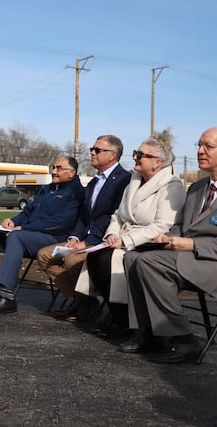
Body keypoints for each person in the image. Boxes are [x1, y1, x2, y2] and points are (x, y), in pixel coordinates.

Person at [120, 127, 217, 363]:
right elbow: (185, 228)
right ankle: (150, 332)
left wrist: (191, 244)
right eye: (199, 145)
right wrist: (166, 238)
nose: (200, 151)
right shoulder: (198, 188)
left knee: (150, 262)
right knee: (132, 257)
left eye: (208, 146)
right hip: (189, 258)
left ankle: (184, 339)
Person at [75, 136, 185, 339]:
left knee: (107, 258)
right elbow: (118, 215)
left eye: (140, 154)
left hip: (151, 241)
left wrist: (126, 241)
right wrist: (112, 234)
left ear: (157, 162)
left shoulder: (172, 186)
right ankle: (118, 315)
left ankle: (125, 320)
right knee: (95, 256)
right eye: (135, 153)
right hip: (124, 236)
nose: (134, 157)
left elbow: (164, 225)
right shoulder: (134, 181)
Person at [0, 156, 84, 315]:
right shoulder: (47, 189)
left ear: (72, 173)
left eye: (59, 168)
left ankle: (7, 297)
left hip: (53, 239)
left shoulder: (77, 193)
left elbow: (62, 223)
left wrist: (23, 228)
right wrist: (13, 221)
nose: (54, 171)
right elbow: (27, 213)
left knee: (16, 237)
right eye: (53, 167)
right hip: (28, 235)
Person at [36, 135, 131, 322]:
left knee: (72, 259)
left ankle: (86, 303)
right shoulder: (94, 182)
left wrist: (88, 242)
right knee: (45, 256)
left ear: (112, 155)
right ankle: (82, 301)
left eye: (97, 150)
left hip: (106, 240)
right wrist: (74, 237)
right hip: (85, 238)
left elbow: (113, 216)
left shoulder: (123, 180)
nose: (92, 153)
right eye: (92, 149)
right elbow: (84, 216)